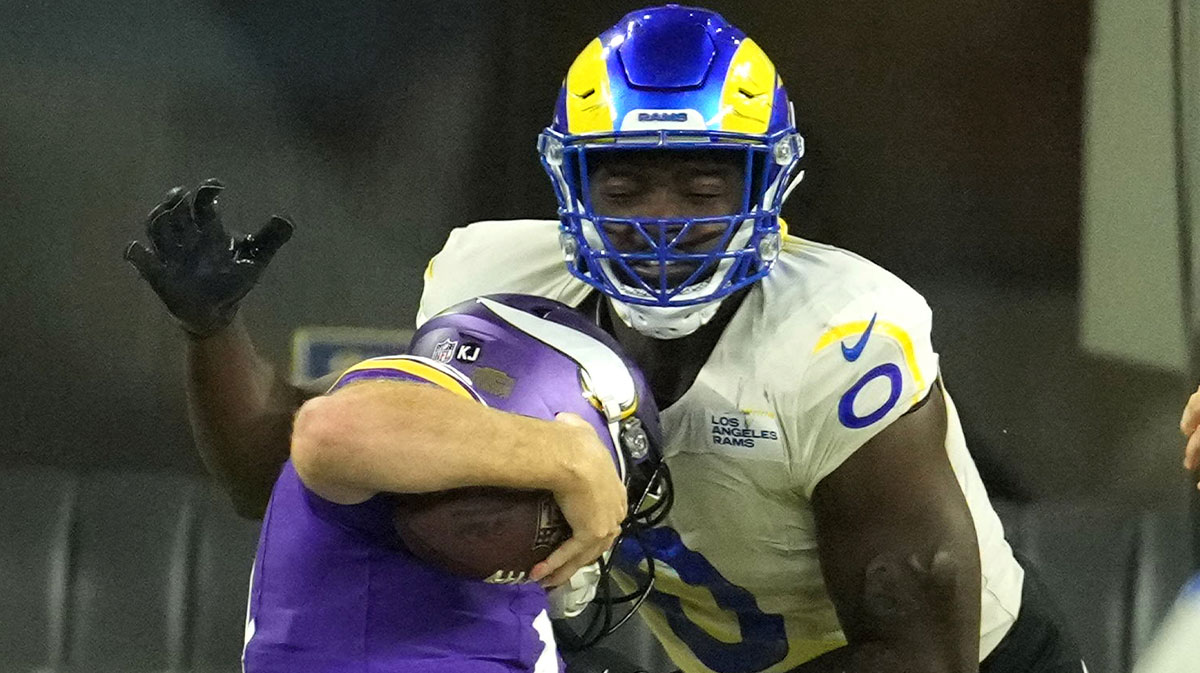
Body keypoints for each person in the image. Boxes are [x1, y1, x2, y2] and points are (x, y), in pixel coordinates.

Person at [126, 5, 1085, 673]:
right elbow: (279, 476)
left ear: (768, 190)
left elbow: (916, 649)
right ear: (571, 185)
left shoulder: (843, 335)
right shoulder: (496, 279)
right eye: (625, 186)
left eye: (704, 188)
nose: (661, 221)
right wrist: (212, 333)